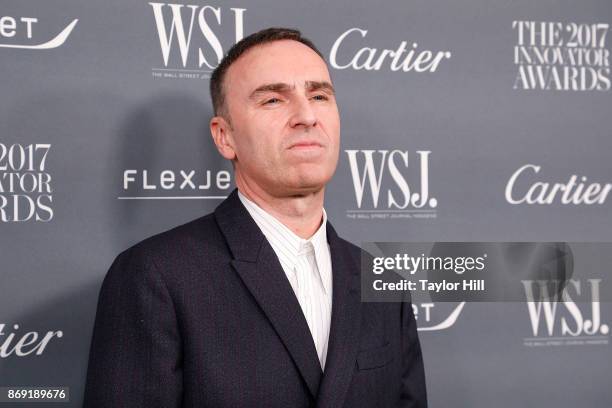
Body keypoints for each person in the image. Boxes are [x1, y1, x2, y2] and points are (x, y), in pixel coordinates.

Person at [83, 27, 427, 408]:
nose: (306, 116)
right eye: (273, 101)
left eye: (319, 95)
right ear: (224, 137)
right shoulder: (155, 276)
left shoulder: (381, 283)